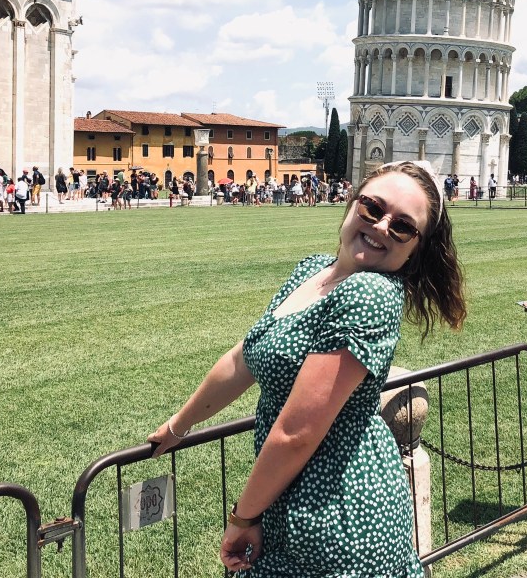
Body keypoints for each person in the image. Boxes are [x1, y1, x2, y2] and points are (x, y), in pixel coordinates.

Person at [148, 161, 466, 577]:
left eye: (403, 226)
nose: (382, 226)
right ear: (353, 204)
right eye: (373, 207)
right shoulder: (314, 270)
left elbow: (297, 433)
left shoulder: (370, 293)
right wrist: (178, 426)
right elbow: (243, 358)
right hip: (289, 499)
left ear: (414, 249)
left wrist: (242, 518)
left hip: (339, 515)